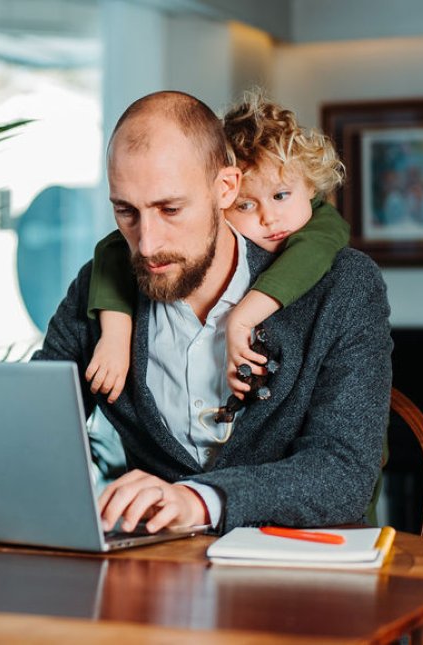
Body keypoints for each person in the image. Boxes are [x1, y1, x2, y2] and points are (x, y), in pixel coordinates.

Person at [32, 90, 392, 534]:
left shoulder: (343, 286)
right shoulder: (101, 289)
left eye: (171, 209)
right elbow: (34, 426)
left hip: (300, 574)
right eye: (126, 212)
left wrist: (199, 500)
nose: (147, 245)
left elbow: (342, 473)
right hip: (155, 575)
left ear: (225, 189)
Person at [84, 90, 350, 403]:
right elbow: (111, 250)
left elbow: (314, 249)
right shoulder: (122, 263)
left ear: (309, 188)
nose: (270, 219)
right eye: (246, 205)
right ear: (223, 197)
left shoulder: (333, 253)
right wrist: (115, 331)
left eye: (170, 209)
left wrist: (242, 317)